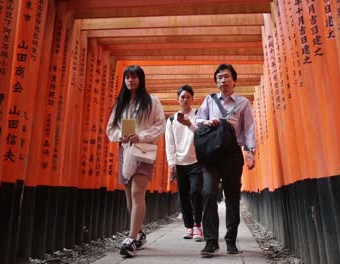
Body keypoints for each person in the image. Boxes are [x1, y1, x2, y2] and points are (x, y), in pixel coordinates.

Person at [195, 64, 256, 257]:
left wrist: (250, 151)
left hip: (232, 154)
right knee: (209, 192)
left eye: (226, 76)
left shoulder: (243, 103)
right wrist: (207, 122)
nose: (223, 80)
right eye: (219, 77)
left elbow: (249, 128)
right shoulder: (209, 100)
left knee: (232, 196)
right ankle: (211, 241)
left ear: (234, 80)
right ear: (216, 81)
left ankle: (231, 239)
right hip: (211, 155)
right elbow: (198, 120)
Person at [106, 65, 166, 258]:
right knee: (129, 196)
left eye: (134, 77)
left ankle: (131, 238)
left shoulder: (152, 101)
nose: (130, 81)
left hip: (144, 151)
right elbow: (111, 128)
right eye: (127, 78)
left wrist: (141, 135)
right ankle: (139, 233)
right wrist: (120, 137)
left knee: (137, 192)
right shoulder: (121, 104)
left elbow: (160, 125)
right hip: (126, 151)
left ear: (141, 79)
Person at [165, 85, 204, 241]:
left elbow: (202, 134)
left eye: (188, 96)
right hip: (180, 163)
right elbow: (170, 143)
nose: (185, 99)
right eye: (182, 97)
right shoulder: (172, 120)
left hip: (196, 161)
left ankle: (197, 225)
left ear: (192, 99)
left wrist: (190, 124)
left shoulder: (198, 115)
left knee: (195, 192)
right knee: (183, 195)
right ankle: (189, 227)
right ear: (178, 100)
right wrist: (171, 162)